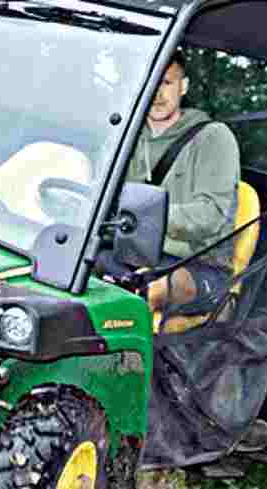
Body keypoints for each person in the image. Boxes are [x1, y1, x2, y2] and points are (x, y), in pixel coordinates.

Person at [103, 50, 240, 320]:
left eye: (166, 83)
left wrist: (145, 218)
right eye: (151, 82)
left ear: (183, 86)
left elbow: (211, 216)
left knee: (146, 292)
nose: (157, 94)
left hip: (197, 265)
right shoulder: (126, 135)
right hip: (130, 255)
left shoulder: (213, 137)